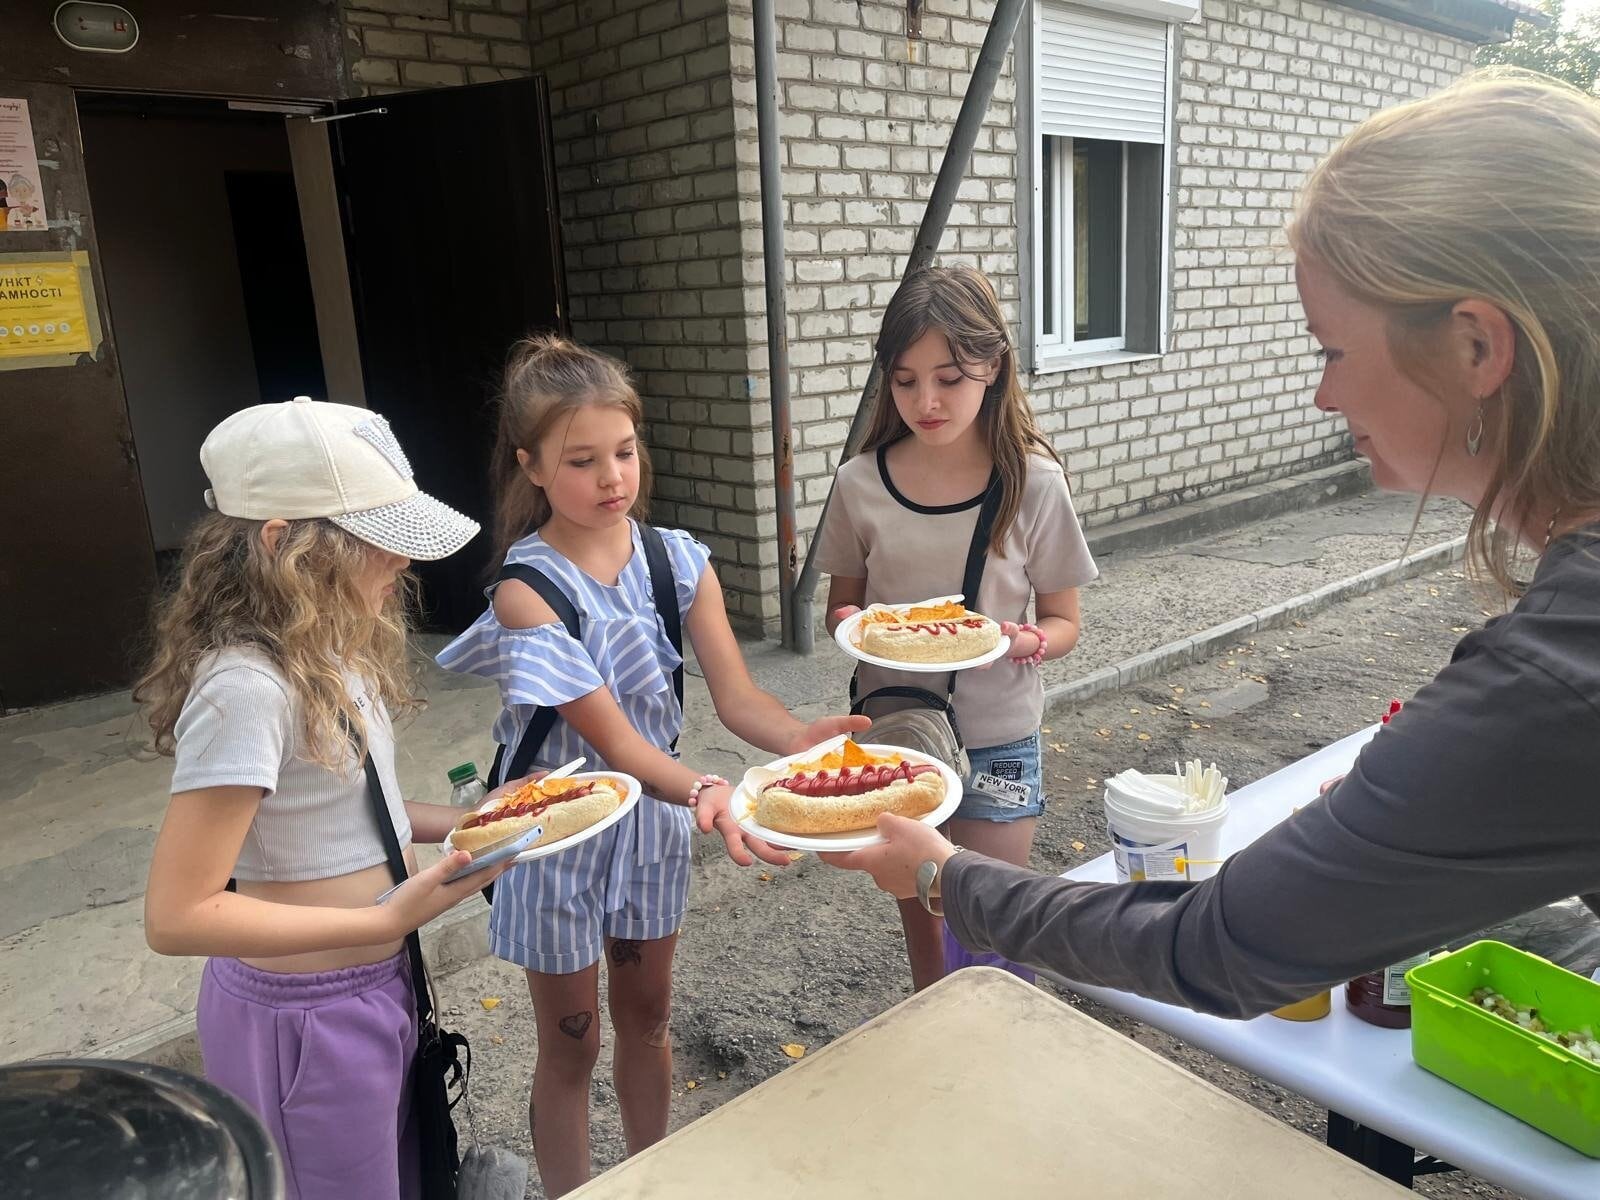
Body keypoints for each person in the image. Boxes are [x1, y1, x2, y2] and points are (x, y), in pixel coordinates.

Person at [825, 68, 1600, 1019]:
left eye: (1331, 350)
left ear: (1478, 348)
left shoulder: (1562, 668)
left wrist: (950, 877)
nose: (1324, 396)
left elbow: (1226, 945)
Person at [436, 334, 867, 1196]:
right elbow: (617, 744)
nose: (612, 478)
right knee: (571, 1039)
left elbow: (738, 698)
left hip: (650, 825)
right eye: (583, 460)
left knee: (649, 1018)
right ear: (530, 467)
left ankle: (650, 1179)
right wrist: (710, 788)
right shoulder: (529, 589)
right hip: (554, 826)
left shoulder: (677, 559)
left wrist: (796, 739)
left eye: (625, 452)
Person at [139, 397, 516, 1200]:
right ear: (285, 547)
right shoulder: (246, 686)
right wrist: (381, 920)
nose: (403, 563)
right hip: (299, 1018)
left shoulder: (326, 652)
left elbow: (357, 809)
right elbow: (176, 914)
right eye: (378, 541)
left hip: (373, 986)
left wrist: (484, 817)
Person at [811, 265, 1097, 991]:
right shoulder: (859, 483)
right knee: (930, 938)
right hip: (901, 731)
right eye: (905, 381)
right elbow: (842, 607)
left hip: (1000, 736)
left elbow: (1064, 622)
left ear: (993, 366)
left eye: (949, 377)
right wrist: (852, 621)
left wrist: (1024, 640)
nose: (926, 401)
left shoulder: (1034, 482)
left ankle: (1004, 1077)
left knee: (996, 927)